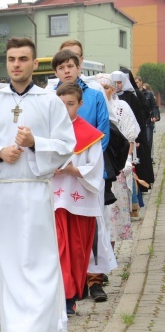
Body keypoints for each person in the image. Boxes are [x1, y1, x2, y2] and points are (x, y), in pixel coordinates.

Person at [0, 37, 75, 331]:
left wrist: (35, 141)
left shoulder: (49, 101)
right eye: (12, 59)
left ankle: (42, 326)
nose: (16, 65)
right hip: (3, 193)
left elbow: (67, 144)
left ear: (34, 64)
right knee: (10, 264)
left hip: (36, 190)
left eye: (23, 59)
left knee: (40, 264)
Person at [50, 46, 114, 303]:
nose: (66, 71)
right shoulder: (47, 96)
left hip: (86, 171)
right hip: (57, 186)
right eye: (61, 67)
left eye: (71, 65)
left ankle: (94, 280)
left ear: (79, 66)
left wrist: (82, 158)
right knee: (61, 240)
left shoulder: (96, 94)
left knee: (89, 233)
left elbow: (103, 132)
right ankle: (66, 289)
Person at [52, 82, 104, 317]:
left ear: (80, 104)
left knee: (77, 250)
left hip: (80, 200)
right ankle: (63, 297)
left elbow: (95, 168)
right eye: (60, 104)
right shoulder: (46, 132)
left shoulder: (90, 135)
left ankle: (73, 295)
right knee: (59, 248)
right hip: (55, 200)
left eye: (70, 104)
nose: (65, 109)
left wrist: (74, 170)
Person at [96, 73, 138, 242]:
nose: (103, 91)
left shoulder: (121, 107)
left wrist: (125, 161)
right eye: (100, 88)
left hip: (116, 166)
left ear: (113, 89)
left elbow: (129, 137)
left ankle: (111, 252)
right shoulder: (93, 106)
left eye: (105, 88)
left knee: (114, 211)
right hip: (98, 166)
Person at [135, 76, 159, 157]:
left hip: (147, 121)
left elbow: (154, 106)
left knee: (148, 141)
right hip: (137, 121)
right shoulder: (133, 94)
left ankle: (148, 158)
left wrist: (155, 115)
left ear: (141, 82)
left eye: (137, 82)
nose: (136, 84)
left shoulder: (148, 94)